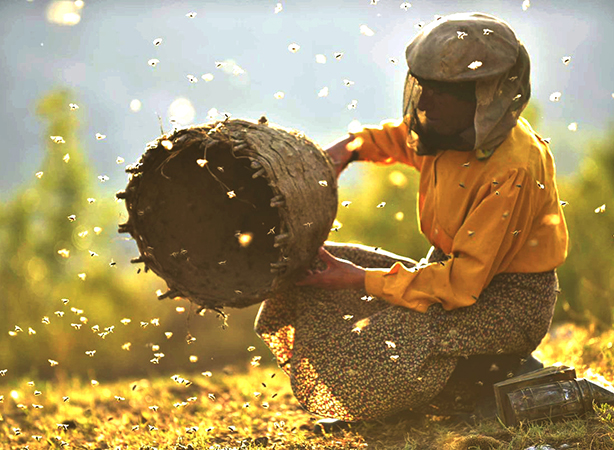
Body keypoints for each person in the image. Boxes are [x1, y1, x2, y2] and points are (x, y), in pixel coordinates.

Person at [254, 12, 568, 427]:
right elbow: (402, 140)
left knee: (386, 337)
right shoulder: (449, 130)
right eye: (425, 85)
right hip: (448, 276)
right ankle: (463, 379)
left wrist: (356, 279)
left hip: (508, 304)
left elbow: (461, 284)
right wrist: (349, 149)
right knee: (314, 269)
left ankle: (489, 378)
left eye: (442, 91)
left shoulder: (512, 169)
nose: (424, 100)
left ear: (486, 93)